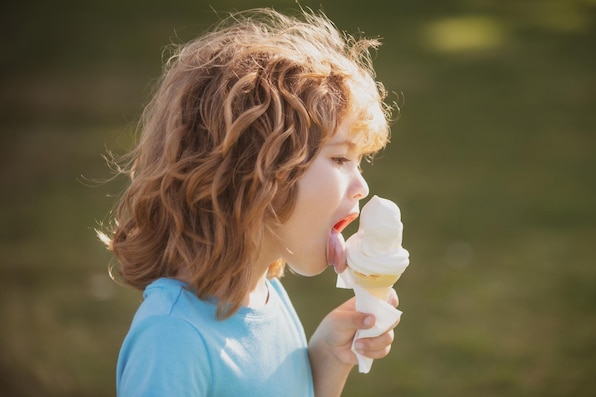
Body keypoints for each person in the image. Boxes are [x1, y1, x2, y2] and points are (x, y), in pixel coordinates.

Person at [101, 7, 400, 397]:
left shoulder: (268, 297)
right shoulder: (172, 339)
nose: (361, 185)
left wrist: (326, 359)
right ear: (257, 173)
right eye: (341, 158)